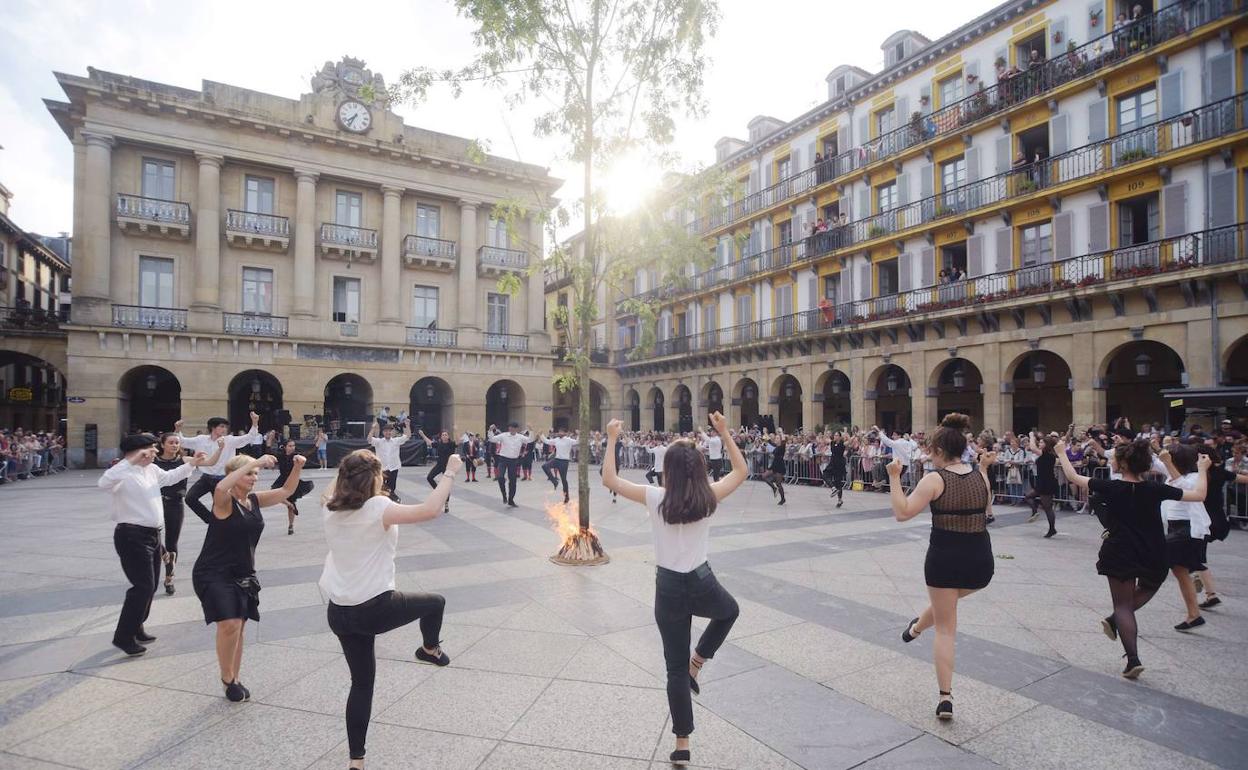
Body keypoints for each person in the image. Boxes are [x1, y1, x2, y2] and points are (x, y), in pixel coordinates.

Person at [602, 412, 748, 767]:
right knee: (729, 611)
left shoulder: (656, 496)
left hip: (667, 587)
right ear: (699, 469)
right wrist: (724, 432)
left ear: (667, 469)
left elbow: (609, 479)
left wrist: (612, 438)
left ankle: (682, 742)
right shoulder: (709, 495)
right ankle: (698, 662)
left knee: (674, 669)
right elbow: (741, 471)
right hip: (700, 579)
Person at [320, 449, 461, 770]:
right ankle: (429, 648)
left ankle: (356, 761)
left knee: (361, 684)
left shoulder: (328, 508)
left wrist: (353, 462)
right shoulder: (378, 508)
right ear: (375, 478)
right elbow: (430, 509)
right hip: (374, 607)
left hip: (339, 611)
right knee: (436, 603)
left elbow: (339, 481)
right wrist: (450, 470)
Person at [1055, 438, 1208, 679]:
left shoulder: (1111, 487)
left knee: (1123, 606)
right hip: (1153, 550)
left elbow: (1073, 477)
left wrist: (1061, 453)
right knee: (1148, 586)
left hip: (1120, 550)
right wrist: (1202, 469)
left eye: (1114, 459)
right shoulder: (1155, 488)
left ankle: (1133, 659)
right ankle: (1117, 623)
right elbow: (1199, 494)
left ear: (1124, 464)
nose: (1111, 461)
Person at [890, 414, 993, 721]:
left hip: (945, 559)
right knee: (945, 607)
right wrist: (985, 468)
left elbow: (903, 512)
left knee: (946, 628)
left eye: (930, 451)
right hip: (980, 561)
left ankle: (945, 698)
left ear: (938, 450)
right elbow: (988, 510)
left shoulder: (935, 480)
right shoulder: (981, 476)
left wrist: (894, 477)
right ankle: (915, 628)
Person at [195, 451, 305, 701]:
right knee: (230, 623)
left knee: (239, 627)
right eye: (249, 474)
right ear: (235, 475)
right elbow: (220, 486)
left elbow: (286, 491)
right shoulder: (223, 501)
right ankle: (227, 678)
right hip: (213, 572)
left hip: (243, 572)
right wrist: (255, 461)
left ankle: (235, 677)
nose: (254, 477)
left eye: (256, 474)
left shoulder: (254, 500)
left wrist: (297, 467)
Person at [99, 433, 214, 656]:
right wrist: (131, 460)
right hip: (131, 536)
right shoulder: (123, 472)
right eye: (151, 448)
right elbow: (104, 482)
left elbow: (170, 477)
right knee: (142, 587)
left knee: (150, 586)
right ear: (138, 452)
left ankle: (137, 626)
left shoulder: (151, 469)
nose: (155, 452)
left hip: (152, 535)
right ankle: (123, 637)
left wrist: (193, 464)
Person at [154, 432, 222, 595]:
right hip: (155, 503)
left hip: (175, 503)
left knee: (172, 541)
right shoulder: (153, 462)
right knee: (152, 535)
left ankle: (169, 578)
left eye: (177, 443)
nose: (174, 445)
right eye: (171, 442)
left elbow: (210, 462)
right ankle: (165, 556)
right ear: (162, 445)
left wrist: (220, 449)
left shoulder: (184, 460)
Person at [1158, 445, 1215, 631]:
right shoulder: (1172, 474)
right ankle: (1194, 615)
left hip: (1188, 529)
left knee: (1153, 554)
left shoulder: (1195, 476)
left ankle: (1127, 605)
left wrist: (1201, 468)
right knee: (1180, 572)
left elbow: (1192, 491)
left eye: (1171, 459)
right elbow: (1156, 464)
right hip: (1175, 527)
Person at [178, 412, 261, 524]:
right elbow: (182, 441)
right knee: (190, 498)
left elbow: (249, 437)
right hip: (206, 478)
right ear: (213, 428)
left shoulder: (229, 440)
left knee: (219, 507)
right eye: (221, 426)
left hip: (223, 479)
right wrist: (177, 429)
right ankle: (209, 519)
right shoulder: (201, 439)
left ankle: (219, 524)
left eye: (225, 427)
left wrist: (255, 423)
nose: (224, 429)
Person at [272, 438, 314, 534]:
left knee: (291, 504)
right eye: (290, 446)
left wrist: (317, 444)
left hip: (293, 481)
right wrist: (269, 442)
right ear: (285, 447)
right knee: (275, 494)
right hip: (282, 480)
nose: (292, 448)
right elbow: (270, 452)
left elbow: (308, 454)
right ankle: (290, 505)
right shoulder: (281, 456)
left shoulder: (296, 456)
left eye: (293, 446)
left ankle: (291, 526)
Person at [489, 422, 533, 507]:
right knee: (500, 477)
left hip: (513, 461)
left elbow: (530, 440)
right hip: (503, 460)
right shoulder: (504, 435)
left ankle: (511, 500)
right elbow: (492, 439)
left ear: (517, 429)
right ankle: (504, 495)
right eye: (510, 427)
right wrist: (490, 430)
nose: (511, 429)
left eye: (513, 428)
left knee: (513, 481)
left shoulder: (520, 437)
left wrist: (531, 430)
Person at [1025, 432, 1059, 537]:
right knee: (1028, 496)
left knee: (1047, 507)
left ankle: (1052, 529)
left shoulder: (1047, 454)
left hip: (1046, 482)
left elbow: (1032, 447)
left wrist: (1031, 436)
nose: (1039, 444)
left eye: (1041, 442)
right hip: (1042, 481)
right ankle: (1035, 511)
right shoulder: (1047, 454)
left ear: (1046, 444)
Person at [368, 417, 410, 503]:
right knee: (381, 486)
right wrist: (373, 428)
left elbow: (408, 436)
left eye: (390, 431)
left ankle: (391, 501)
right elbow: (369, 439)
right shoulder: (379, 442)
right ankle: (383, 501)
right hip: (382, 468)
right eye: (386, 431)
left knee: (392, 487)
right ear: (383, 432)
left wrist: (408, 425)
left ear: (392, 432)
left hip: (394, 467)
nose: (388, 433)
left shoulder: (396, 441)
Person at [418, 428, 457, 512]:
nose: (444, 436)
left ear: (448, 436)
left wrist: (455, 431)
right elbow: (429, 442)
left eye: (446, 435)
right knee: (429, 477)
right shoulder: (439, 444)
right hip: (439, 465)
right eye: (443, 435)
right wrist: (422, 435)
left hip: (448, 467)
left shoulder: (451, 444)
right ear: (441, 437)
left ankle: (446, 503)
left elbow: (458, 441)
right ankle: (438, 491)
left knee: (447, 485)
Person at [541, 429, 578, 503]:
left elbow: (577, 442)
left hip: (564, 461)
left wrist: (579, 434)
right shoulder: (556, 440)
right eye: (559, 432)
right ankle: (554, 481)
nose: (560, 433)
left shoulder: (568, 440)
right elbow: (547, 441)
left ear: (565, 433)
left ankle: (566, 497)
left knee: (564, 480)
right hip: (556, 460)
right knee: (544, 466)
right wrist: (541, 434)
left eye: (561, 432)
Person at [761, 431, 787, 505]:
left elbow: (784, 441)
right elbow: (770, 442)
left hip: (780, 466)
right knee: (764, 476)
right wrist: (765, 433)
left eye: (778, 438)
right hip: (774, 466)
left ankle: (783, 499)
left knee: (778, 483)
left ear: (780, 440)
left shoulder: (782, 447)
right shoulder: (776, 446)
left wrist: (781, 432)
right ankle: (774, 488)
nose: (776, 439)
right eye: (776, 438)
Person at [825, 431, 848, 507]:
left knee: (838, 482)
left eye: (837, 435)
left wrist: (846, 433)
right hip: (832, 463)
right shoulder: (832, 442)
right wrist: (826, 431)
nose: (835, 436)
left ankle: (840, 500)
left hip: (839, 465)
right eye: (834, 435)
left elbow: (849, 441)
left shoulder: (842, 444)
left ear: (840, 437)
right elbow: (826, 439)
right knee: (825, 475)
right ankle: (833, 488)